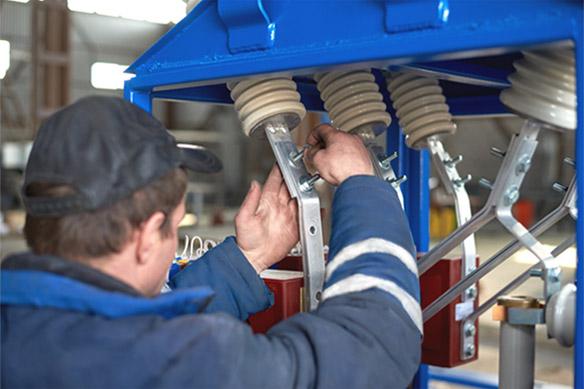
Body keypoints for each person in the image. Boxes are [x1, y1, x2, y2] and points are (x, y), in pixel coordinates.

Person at [1, 96, 422, 388]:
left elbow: (130, 324)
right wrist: (361, 183)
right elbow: (374, 345)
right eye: (175, 226)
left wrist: (248, 258)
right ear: (148, 236)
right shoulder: (189, 365)